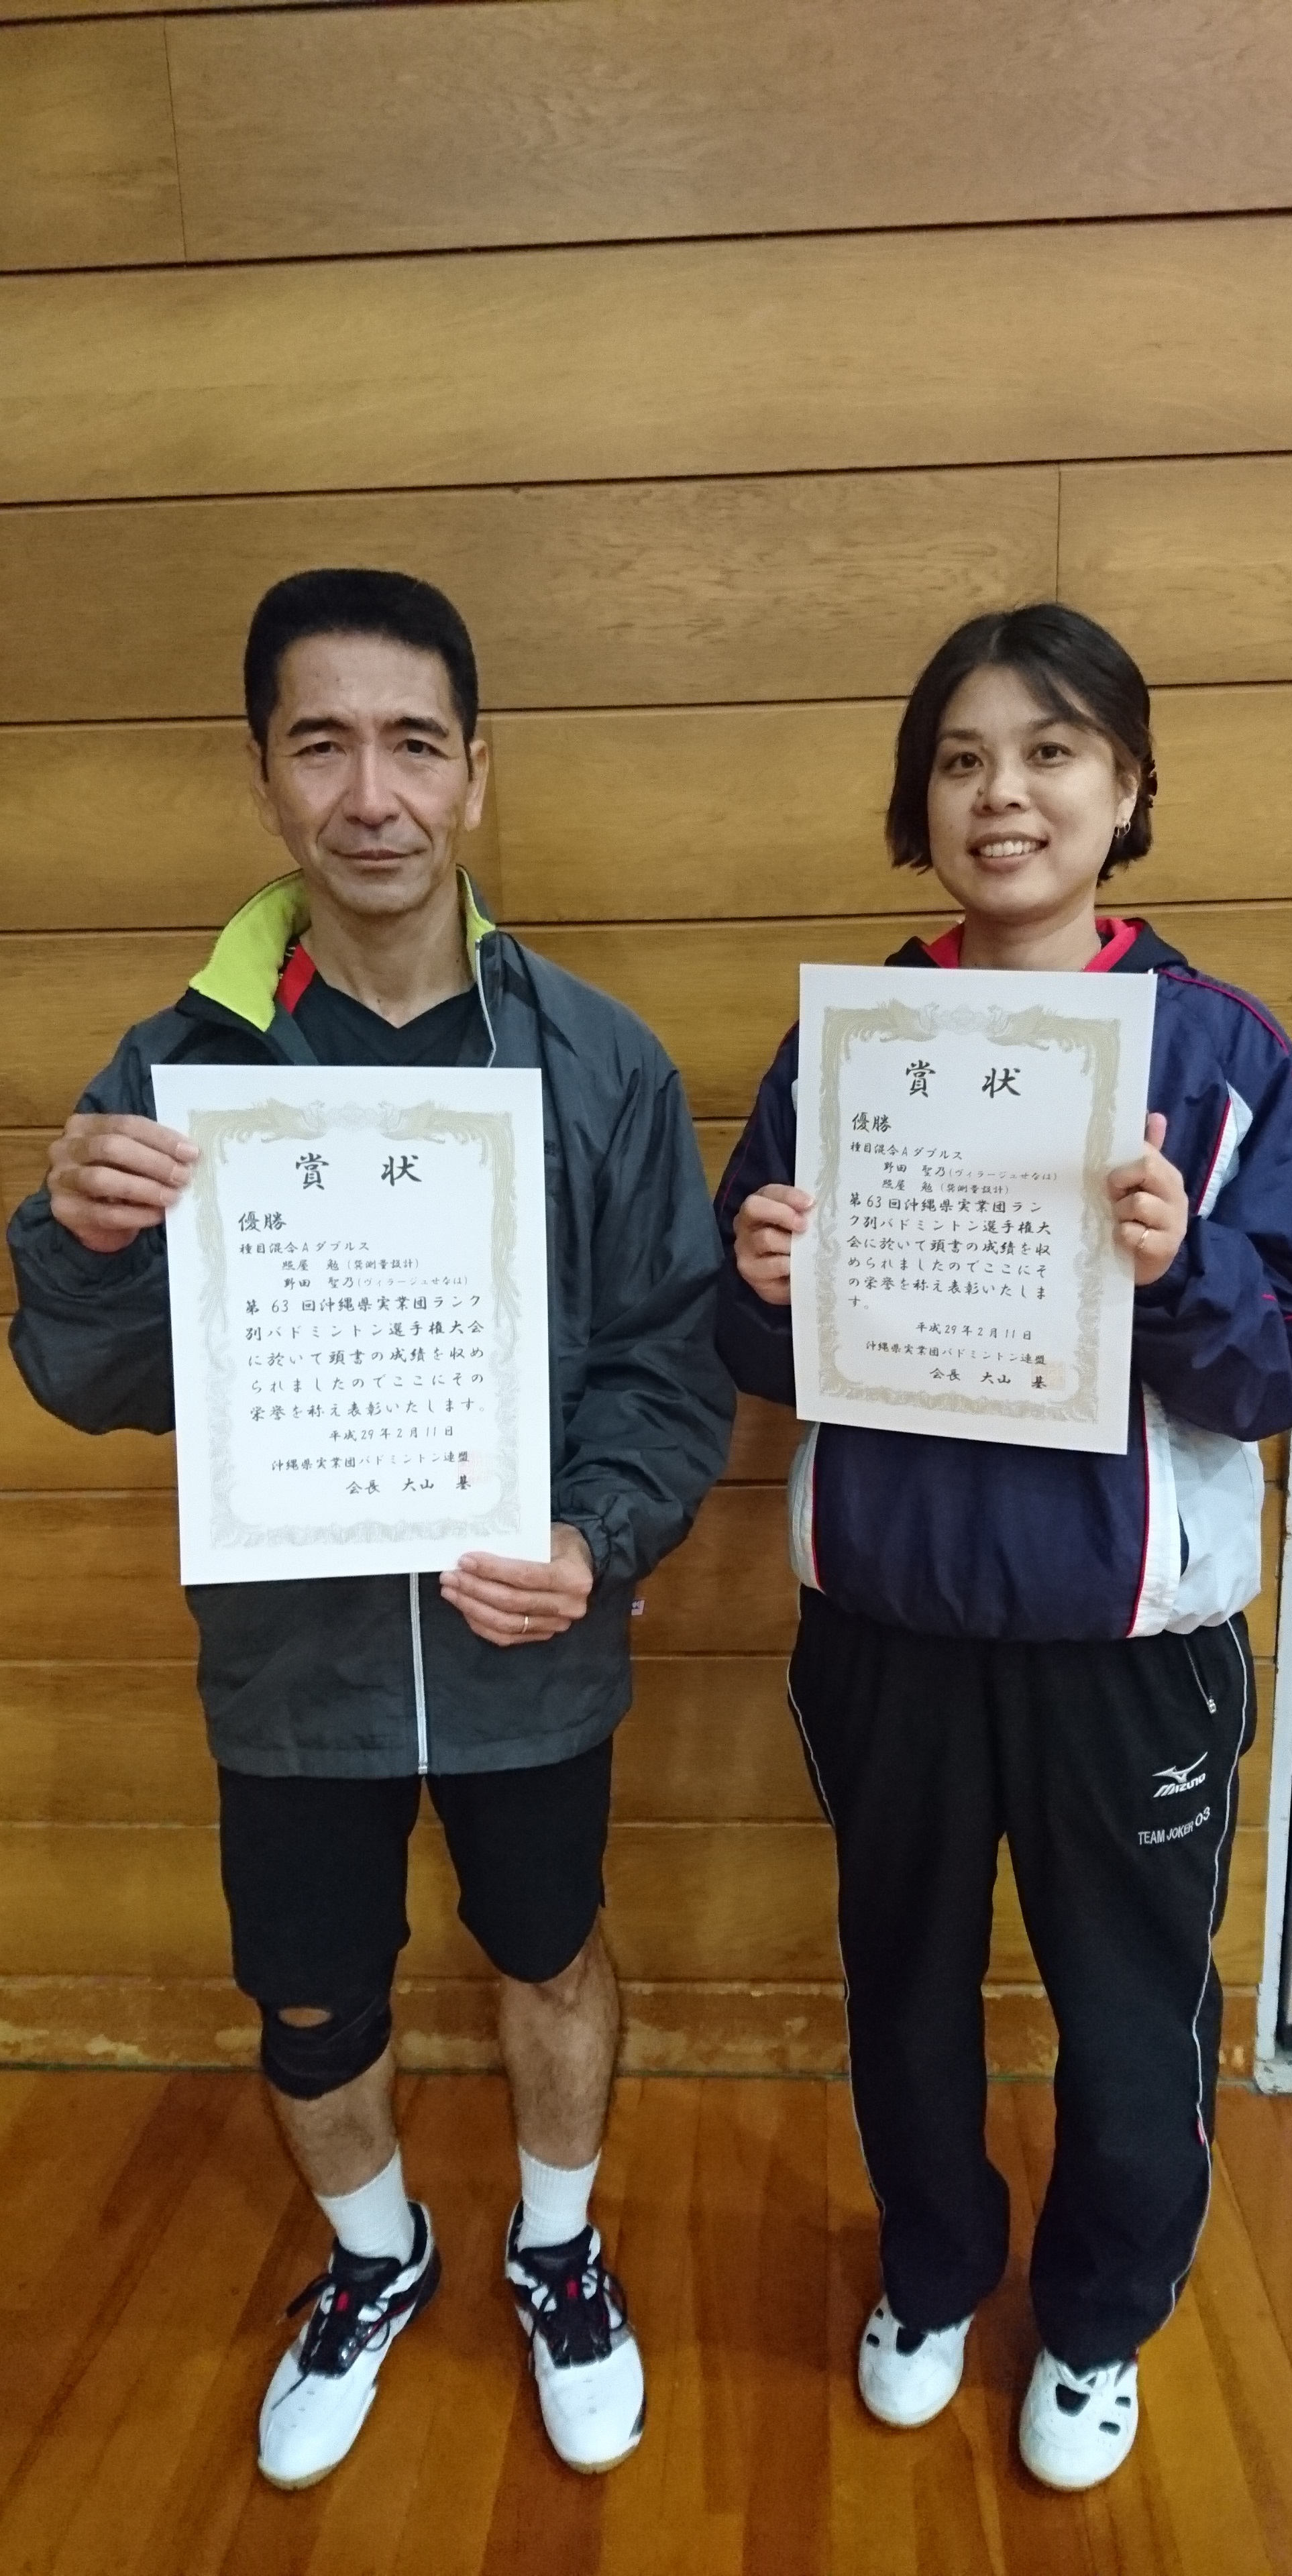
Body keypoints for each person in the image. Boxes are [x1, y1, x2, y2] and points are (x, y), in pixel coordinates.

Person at [9, 568, 735, 2489]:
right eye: (320, 745)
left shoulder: (596, 1061)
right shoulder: (177, 1078)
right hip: (294, 1671)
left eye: (414, 744)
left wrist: (596, 1537)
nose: (372, 793)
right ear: (261, 776)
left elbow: (668, 1361)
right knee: (314, 1998)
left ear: (476, 772)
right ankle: (377, 2255)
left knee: (548, 1952)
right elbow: (88, 1380)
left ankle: (557, 2251)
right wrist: (78, 1243)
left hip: (530, 1646)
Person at [714, 603, 1292, 2492]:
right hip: (891, 1629)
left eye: (1051, 751)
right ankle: (932, 2276)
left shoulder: (1218, 1049)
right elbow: (751, 1341)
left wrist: (1187, 1268)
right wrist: (758, 1283)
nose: (1002, 793)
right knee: (905, 1988)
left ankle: (1096, 2324)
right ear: (920, 799)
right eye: (962, 759)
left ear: (1129, 787)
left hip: (1129, 1647)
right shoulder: (849, 1046)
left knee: (1130, 2014)